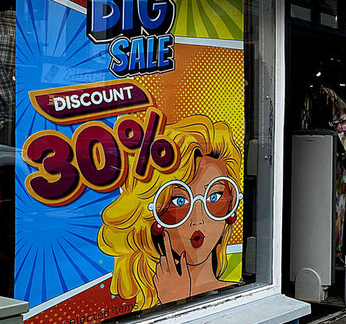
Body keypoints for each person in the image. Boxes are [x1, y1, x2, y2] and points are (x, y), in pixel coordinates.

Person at [98, 116, 242, 310]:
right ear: (150, 216)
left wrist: (177, 297)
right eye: (179, 201)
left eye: (214, 197)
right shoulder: (130, 306)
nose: (198, 220)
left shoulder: (242, 294)